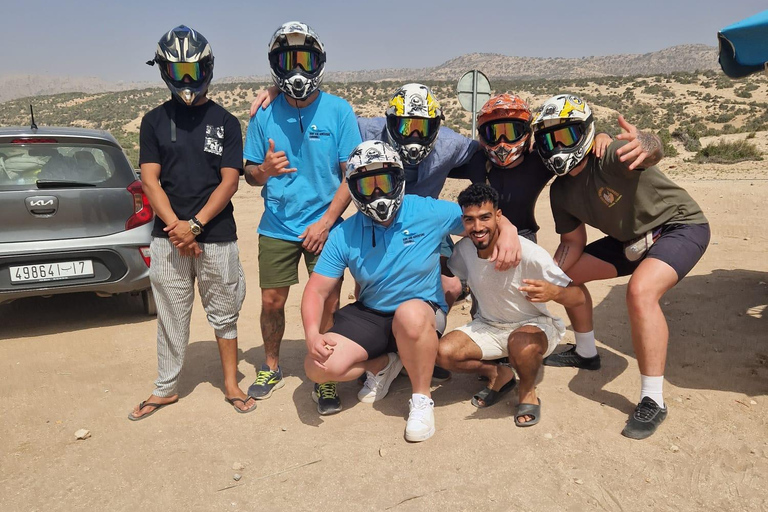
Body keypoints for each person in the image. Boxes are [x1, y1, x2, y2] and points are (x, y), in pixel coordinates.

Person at [301, 140, 520, 441]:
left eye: (385, 182)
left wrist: (507, 231)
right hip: (371, 313)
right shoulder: (344, 233)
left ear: (399, 180)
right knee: (317, 367)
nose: (378, 193)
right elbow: (316, 291)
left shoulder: (426, 211)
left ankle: (421, 399)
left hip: (422, 311)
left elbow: (481, 219)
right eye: (368, 185)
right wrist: (312, 333)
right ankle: (384, 364)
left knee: (410, 313)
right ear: (353, 188)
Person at [531, 94, 710, 439]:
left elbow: (651, 150)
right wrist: (550, 279)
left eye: (566, 136)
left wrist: (647, 141)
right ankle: (585, 352)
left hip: (678, 226)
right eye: (548, 138)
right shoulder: (560, 193)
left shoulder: (609, 155)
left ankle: (652, 399)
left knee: (641, 292)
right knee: (567, 279)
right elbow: (572, 243)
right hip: (629, 240)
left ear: (586, 132)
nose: (556, 146)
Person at [129, 25, 254, 420]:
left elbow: (230, 180)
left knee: (225, 311)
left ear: (208, 68)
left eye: (194, 70)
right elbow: (150, 179)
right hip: (169, 238)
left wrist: (194, 226)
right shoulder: (152, 121)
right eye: (179, 70)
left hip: (215, 236)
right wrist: (179, 229)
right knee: (170, 312)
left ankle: (231, 384)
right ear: (165, 70)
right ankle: (165, 388)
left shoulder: (226, 121)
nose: (188, 80)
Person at [243, 21, 362, 400]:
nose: (297, 70)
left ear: (319, 63)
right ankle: (271, 366)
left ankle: (324, 373)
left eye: (305, 60)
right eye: (287, 61)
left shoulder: (339, 111)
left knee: (329, 301)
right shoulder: (263, 113)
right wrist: (264, 170)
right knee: (271, 301)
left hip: (325, 227)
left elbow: (351, 176)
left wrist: (326, 223)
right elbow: (249, 174)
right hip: (276, 224)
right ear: (275, 64)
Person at [437, 183, 585, 426]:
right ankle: (498, 374)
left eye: (485, 218)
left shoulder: (529, 253)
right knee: (441, 352)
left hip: (534, 326)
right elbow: (452, 273)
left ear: (498, 216)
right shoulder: (464, 250)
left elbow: (577, 296)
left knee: (521, 343)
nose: (477, 227)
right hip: (489, 325)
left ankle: (528, 393)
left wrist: (554, 292)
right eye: (469, 220)